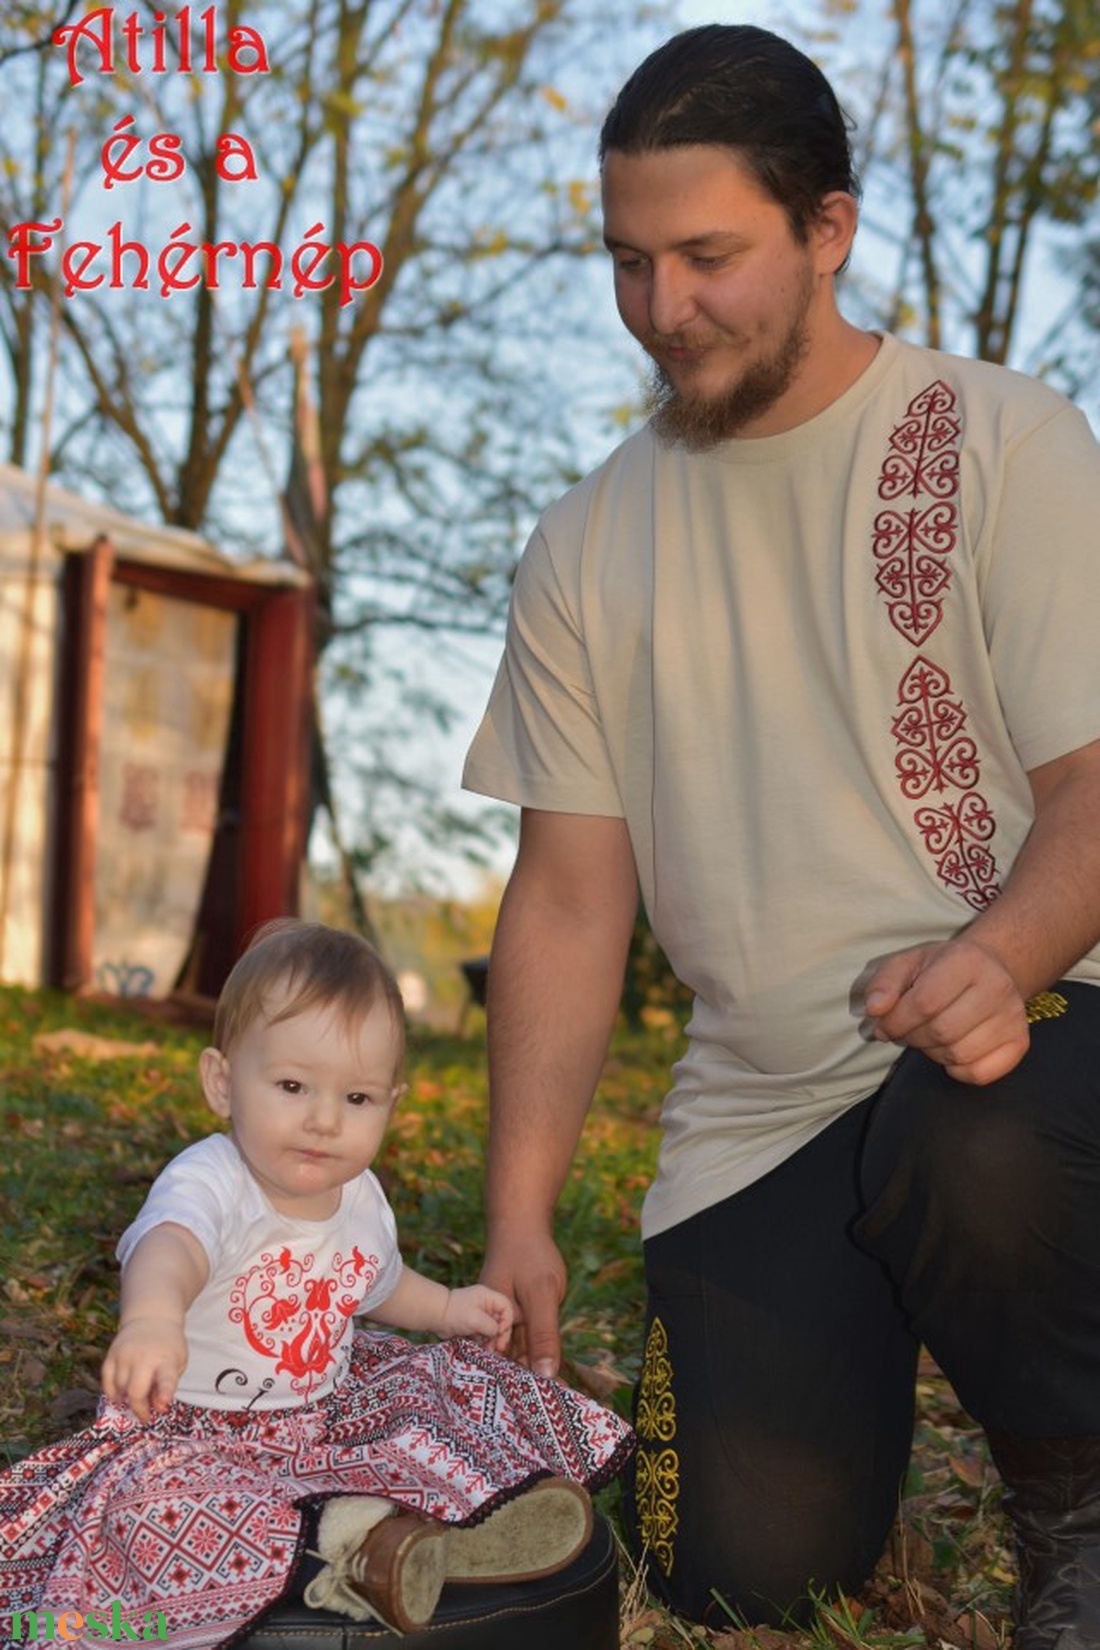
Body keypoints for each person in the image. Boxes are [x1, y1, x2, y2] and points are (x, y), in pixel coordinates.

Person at [462, 23, 1100, 1646]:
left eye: (707, 255)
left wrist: (998, 950)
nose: (663, 310)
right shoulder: (586, 544)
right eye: (627, 261)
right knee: (733, 1570)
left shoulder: (1007, 440)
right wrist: (520, 1216)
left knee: (981, 1142)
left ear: (829, 228)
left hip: (1026, 1035)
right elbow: (565, 896)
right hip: (764, 1113)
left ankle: (1077, 1500)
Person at [0, 921, 633, 1647]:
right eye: (294, 1086)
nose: (325, 1120)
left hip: (319, 1417)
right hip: (196, 1433)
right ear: (222, 1081)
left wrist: (451, 1308)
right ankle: (363, 1542)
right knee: (158, 1509)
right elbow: (171, 1247)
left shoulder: (360, 1196)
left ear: (391, 1103)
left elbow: (377, 1284)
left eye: (357, 1099)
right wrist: (151, 1319)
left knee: (443, 1381)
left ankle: (465, 1521)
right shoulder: (213, 1181)